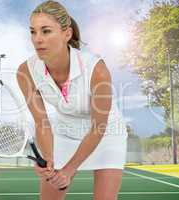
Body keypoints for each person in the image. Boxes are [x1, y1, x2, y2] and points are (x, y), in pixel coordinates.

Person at [16, 1, 128, 199]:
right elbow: (42, 123)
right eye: (33, 32)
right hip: (65, 134)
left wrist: (68, 170)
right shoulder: (25, 72)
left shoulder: (97, 70)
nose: (37, 39)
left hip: (106, 133)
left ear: (67, 34)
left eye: (46, 31)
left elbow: (98, 127)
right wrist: (49, 160)